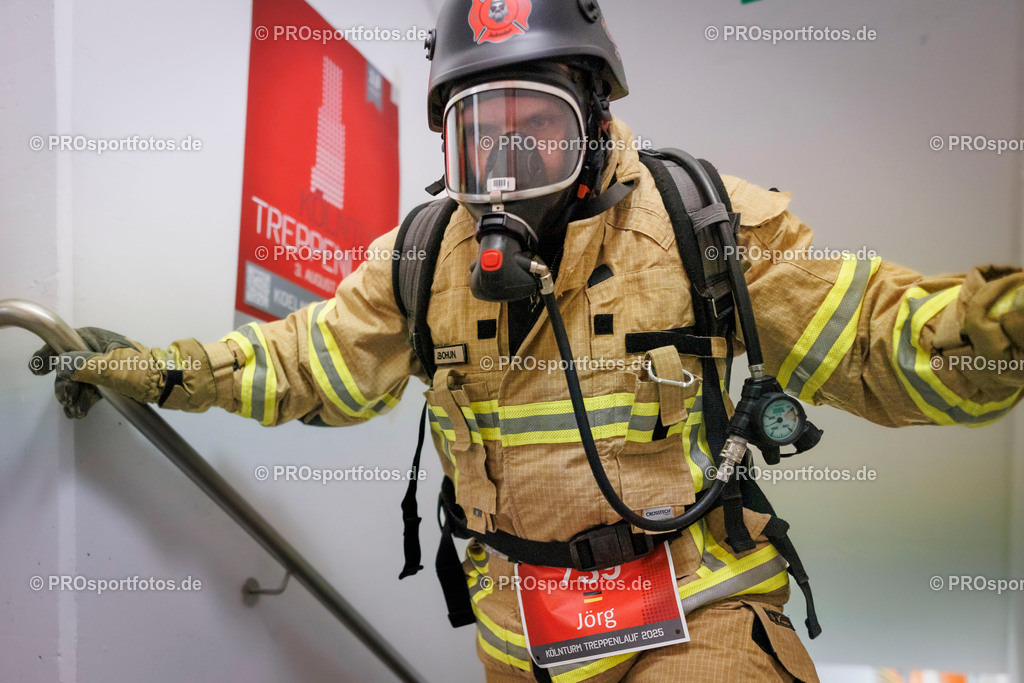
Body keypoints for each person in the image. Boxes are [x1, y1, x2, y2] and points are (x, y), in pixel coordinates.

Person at [30, 1, 1024, 681]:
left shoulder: (700, 220)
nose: (506, 166)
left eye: (535, 129)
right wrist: (155, 369)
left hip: (700, 613)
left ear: (592, 120)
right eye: (479, 135)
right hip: (523, 637)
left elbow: (880, 338)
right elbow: (306, 362)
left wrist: (999, 331)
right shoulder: (421, 256)